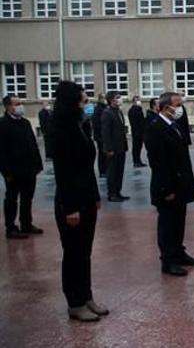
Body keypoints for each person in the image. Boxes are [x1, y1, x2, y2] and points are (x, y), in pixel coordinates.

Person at [50, 81, 107, 322]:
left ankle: (86, 295)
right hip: (70, 201)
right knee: (73, 252)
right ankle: (74, 302)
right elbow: (63, 172)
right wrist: (70, 207)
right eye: (83, 102)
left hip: (85, 196)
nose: (87, 106)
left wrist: (94, 196)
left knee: (85, 251)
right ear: (71, 102)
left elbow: (87, 168)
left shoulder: (80, 125)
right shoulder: (60, 128)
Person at [144, 92, 194, 277]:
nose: (179, 109)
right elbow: (158, 162)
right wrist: (166, 189)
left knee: (179, 220)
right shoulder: (155, 127)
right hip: (167, 186)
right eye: (177, 105)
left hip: (180, 183)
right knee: (168, 224)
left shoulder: (174, 125)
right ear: (164, 106)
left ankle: (178, 252)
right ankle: (168, 260)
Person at [0, 95, 44, 239]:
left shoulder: (25, 123)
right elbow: (2, 151)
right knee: (12, 198)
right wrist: (6, 171)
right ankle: (11, 227)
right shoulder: (3, 124)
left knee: (27, 197)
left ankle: (26, 223)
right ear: (8, 107)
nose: (20, 106)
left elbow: (33, 144)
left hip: (29, 168)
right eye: (17, 104)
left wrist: (38, 164)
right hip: (13, 170)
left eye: (20, 103)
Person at [100, 91, 129, 202]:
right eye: (118, 97)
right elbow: (106, 133)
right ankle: (112, 193)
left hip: (121, 147)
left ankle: (118, 191)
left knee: (119, 171)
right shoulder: (107, 113)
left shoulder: (118, 111)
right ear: (112, 100)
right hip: (113, 148)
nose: (120, 99)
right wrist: (109, 148)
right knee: (112, 171)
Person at [127, 96, 147, 168]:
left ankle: (138, 161)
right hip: (136, 131)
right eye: (137, 100)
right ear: (133, 102)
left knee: (139, 147)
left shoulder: (139, 109)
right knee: (136, 147)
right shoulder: (133, 110)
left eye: (139, 100)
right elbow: (136, 122)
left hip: (140, 131)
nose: (139, 101)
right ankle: (136, 161)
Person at [91, 94, 108, 177]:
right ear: (101, 99)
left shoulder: (104, 108)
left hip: (103, 135)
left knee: (105, 153)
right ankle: (102, 171)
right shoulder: (98, 109)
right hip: (100, 136)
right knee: (102, 153)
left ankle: (105, 170)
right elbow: (97, 124)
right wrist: (100, 135)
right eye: (104, 98)